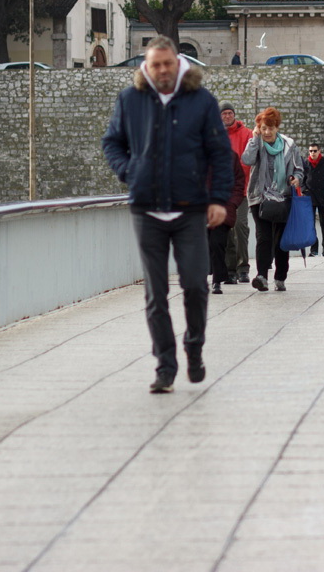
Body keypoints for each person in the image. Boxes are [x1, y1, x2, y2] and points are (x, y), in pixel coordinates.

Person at [101, 36, 233, 394]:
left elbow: (220, 154)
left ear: (178, 63)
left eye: (167, 63)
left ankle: (194, 346)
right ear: (147, 66)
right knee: (155, 295)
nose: (161, 70)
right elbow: (111, 142)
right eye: (154, 64)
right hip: (146, 209)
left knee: (194, 285)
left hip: (191, 209)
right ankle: (165, 365)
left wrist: (218, 199)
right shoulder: (131, 99)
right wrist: (130, 171)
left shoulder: (201, 101)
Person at [242, 107, 305, 292]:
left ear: (277, 127)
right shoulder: (256, 142)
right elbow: (247, 159)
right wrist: (254, 139)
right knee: (263, 236)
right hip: (259, 197)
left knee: (280, 240)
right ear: (258, 129)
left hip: (283, 197)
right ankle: (261, 276)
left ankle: (280, 277)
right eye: (263, 128)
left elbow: (298, 168)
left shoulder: (289, 145)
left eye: (270, 128)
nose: (267, 132)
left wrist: (296, 178)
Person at [208, 121, 247, 294]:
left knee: (217, 243)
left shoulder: (231, 157)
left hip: (223, 209)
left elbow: (239, 183)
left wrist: (232, 203)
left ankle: (216, 280)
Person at [220, 104, 253, 284]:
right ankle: (229, 268)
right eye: (224, 113)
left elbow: (250, 159)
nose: (227, 116)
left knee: (240, 226)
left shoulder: (246, 134)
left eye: (230, 113)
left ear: (234, 115)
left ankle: (243, 267)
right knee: (226, 230)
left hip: (241, 189)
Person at [304, 142, 324, 257]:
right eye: (311, 151)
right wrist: (305, 190)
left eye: (315, 151)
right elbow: (302, 179)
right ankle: (313, 249)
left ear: (319, 151)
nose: (313, 153)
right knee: (311, 224)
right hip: (310, 197)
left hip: (323, 197)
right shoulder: (306, 164)